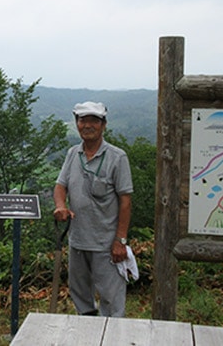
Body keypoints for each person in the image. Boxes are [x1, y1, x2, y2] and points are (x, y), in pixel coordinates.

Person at [53, 101, 133, 317]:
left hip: (106, 244)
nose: (87, 125)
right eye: (82, 120)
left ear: (103, 125)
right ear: (77, 123)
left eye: (93, 121)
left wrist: (121, 240)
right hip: (77, 239)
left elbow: (125, 201)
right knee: (80, 295)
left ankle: (112, 337)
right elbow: (61, 186)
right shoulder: (73, 154)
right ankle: (87, 334)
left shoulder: (118, 157)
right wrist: (60, 206)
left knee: (111, 300)